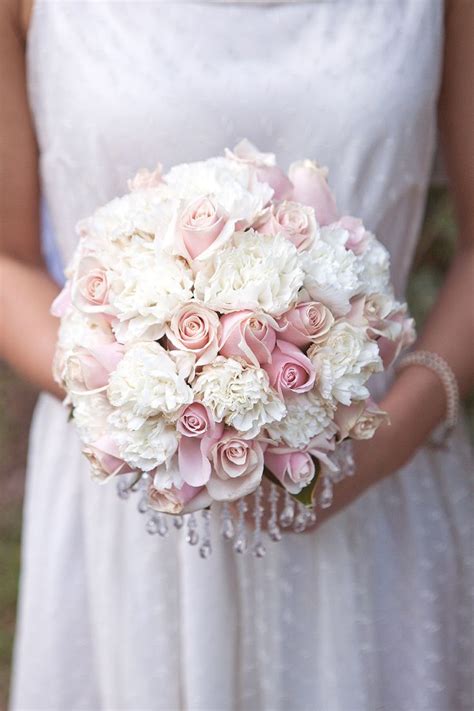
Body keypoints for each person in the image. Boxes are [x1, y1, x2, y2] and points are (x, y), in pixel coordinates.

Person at [1, 0, 473, 708]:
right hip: (128, 519)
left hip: (377, 483)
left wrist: (387, 439)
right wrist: (144, 404)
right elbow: (6, 260)